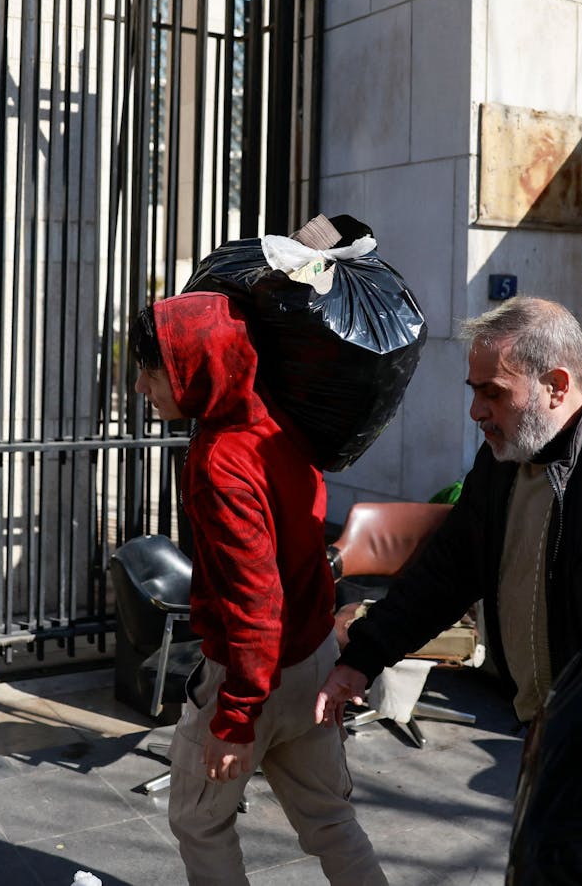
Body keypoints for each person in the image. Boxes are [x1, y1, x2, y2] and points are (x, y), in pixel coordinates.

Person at [315, 296, 582, 730]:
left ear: (555, 386)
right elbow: (445, 574)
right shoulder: (502, 462)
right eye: (475, 391)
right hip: (543, 732)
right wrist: (362, 659)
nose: (476, 411)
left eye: (493, 392)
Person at [131, 291, 386, 886]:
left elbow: (254, 603)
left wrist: (236, 722)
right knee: (330, 819)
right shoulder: (277, 423)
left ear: (194, 367)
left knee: (200, 824)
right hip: (313, 659)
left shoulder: (220, 462)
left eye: (150, 371)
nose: (143, 388)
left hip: (254, 677)